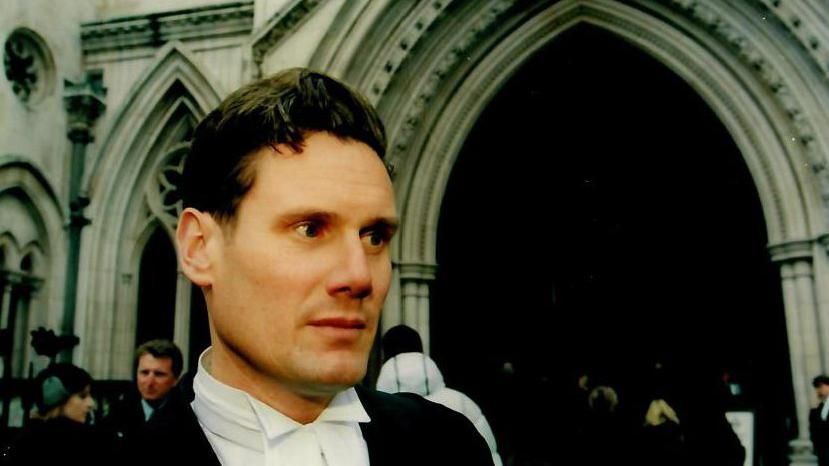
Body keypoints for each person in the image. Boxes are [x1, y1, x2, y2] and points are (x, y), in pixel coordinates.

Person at [139, 68, 492, 465]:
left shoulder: (451, 446)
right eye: (310, 230)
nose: (359, 277)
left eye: (374, 236)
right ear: (199, 249)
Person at [376, 324, 503, 465]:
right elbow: (490, 456)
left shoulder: (370, 411)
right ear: (421, 351)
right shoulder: (461, 402)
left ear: (385, 357)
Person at [2, 363, 110, 465]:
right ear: (56, 399)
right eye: (82, 396)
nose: (91, 403)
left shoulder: (22, 438)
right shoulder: (87, 442)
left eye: (90, 396)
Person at [104, 339, 187, 450]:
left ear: (175, 379)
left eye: (159, 374)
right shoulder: (117, 412)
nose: (149, 382)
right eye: (144, 372)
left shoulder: (187, 419)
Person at [811, 374, 829, 466]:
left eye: (820, 386)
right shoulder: (819, 408)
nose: (818, 390)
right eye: (817, 387)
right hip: (823, 453)